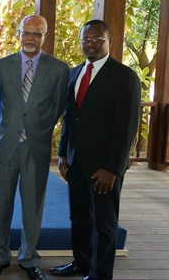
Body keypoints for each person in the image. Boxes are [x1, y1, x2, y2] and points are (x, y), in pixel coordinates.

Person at [51, 20, 141, 280]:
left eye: (97, 39)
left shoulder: (124, 77)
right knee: (79, 218)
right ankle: (81, 263)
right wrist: (64, 153)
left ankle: (100, 274)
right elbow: (70, 117)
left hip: (104, 167)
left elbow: (127, 128)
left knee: (104, 223)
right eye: (86, 40)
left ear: (109, 41)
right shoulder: (74, 73)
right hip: (76, 162)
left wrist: (112, 168)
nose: (90, 44)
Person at [0, 15, 69, 280]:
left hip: (36, 145)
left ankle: (29, 258)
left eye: (37, 34)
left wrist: (38, 128)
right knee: (0, 203)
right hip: (6, 144)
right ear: (19, 33)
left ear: (45, 36)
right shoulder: (1, 65)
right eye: (26, 33)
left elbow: (58, 108)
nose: (30, 38)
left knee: (33, 206)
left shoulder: (58, 69)